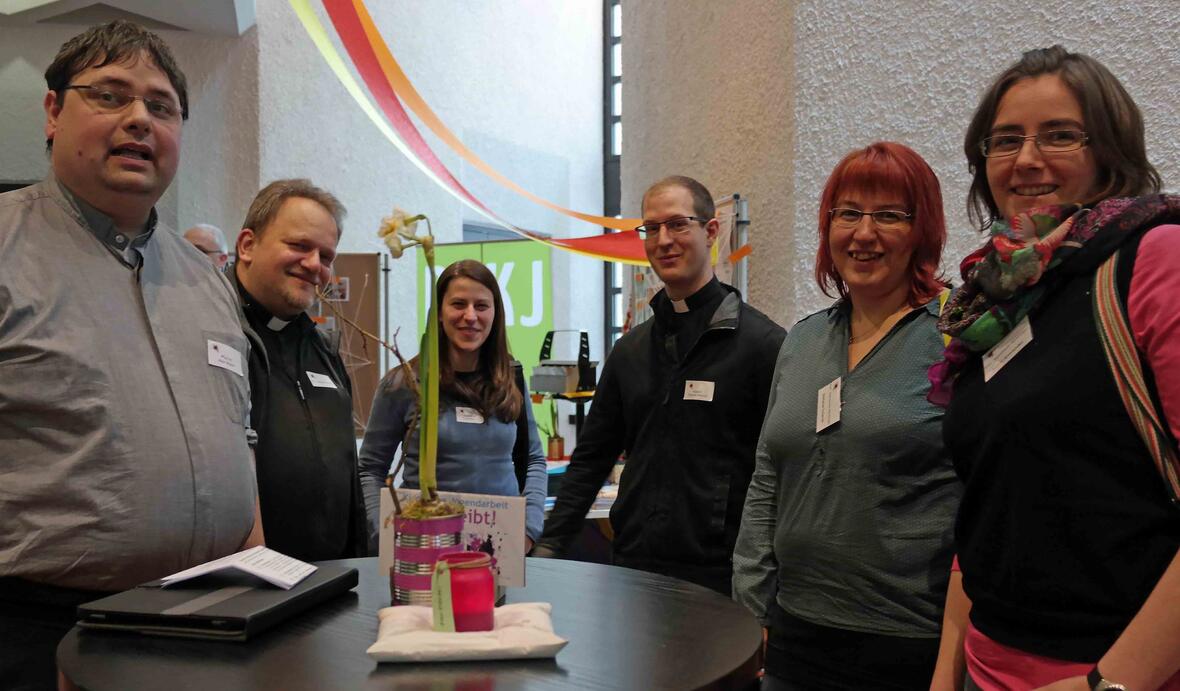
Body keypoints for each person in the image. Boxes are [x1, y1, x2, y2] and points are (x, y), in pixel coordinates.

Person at [0, 21, 262, 690]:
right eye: (111, 95)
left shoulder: (206, 279)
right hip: (40, 632)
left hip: (210, 617)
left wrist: (257, 579)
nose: (140, 119)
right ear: (54, 112)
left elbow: (237, 436)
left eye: (162, 106)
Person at [932, 46, 1180, 691]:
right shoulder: (998, 296)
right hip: (991, 664)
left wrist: (1108, 685)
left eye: (1061, 135)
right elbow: (993, 495)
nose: (1027, 160)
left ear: (1109, 150)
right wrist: (947, 668)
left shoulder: (1155, 260)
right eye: (1005, 140)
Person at [731, 142, 959, 689]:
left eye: (888, 215)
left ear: (922, 230)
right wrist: (751, 600)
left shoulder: (956, 335)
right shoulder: (805, 340)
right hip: (793, 632)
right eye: (848, 213)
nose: (863, 233)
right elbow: (769, 475)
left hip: (909, 639)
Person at [533, 175, 786, 595]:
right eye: (651, 228)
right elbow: (592, 459)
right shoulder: (631, 350)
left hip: (722, 577)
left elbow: (781, 473)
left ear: (710, 232)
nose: (663, 240)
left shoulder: (762, 345)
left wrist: (771, 581)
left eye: (677, 224)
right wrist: (552, 545)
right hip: (635, 566)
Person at [358, 259, 548, 554]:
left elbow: (534, 460)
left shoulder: (511, 379)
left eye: (481, 306)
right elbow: (369, 470)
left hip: (498, 551)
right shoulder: (404, 384)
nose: (470, 316)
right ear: (439, 313)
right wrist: (383, 533)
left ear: (495, 314)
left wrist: (528, 530)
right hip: (425, 550)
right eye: (458, 304)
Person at [230, 179, 368, 561]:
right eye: (299, 246)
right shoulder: (213, 335)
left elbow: (347, 471)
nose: (314, 265)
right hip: (247, 584)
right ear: (247, 246)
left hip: (330, 578)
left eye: (326, 256)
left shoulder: (321, 347)